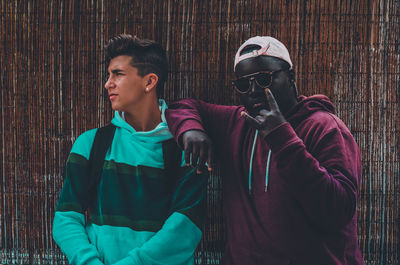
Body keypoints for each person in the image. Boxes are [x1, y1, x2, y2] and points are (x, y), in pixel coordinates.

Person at [165, 36, 364, 265]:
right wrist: (191, 130)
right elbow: (183, 107)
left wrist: (282, 137)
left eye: (264, 79)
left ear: (290, 77)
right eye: (243, 84)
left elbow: (337, 210)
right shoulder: (237, 121)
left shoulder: (325, 127)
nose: (253, 90)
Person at [53, 34, 208, 265]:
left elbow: (185, 229)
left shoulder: (187, 148)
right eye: (109, 75)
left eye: (118, 74)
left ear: (149, 82)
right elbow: (66, 217)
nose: (108, 83)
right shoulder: (91, 144)